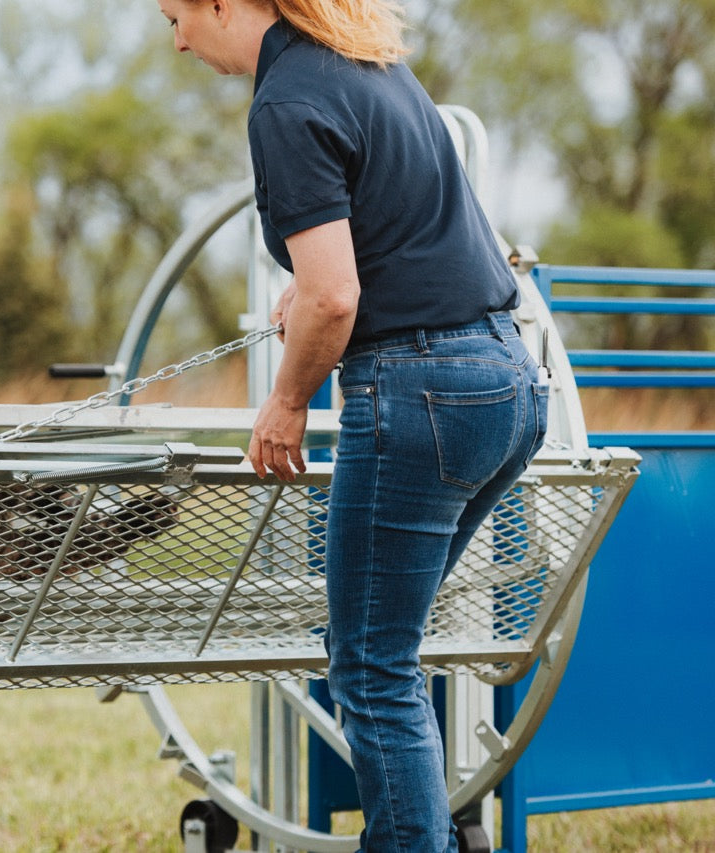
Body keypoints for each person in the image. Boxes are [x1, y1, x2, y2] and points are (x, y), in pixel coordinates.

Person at [156, 1, 548, 850]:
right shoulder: (372, 63)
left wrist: (288, 398)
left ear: (222, 3)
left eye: (176, 16)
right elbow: (402, 234)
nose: (178, 40)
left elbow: (337, 297)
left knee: (371, 666)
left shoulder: (285, 101)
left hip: (422, 392)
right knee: (378, 647)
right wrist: (314, 292)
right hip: (508, 381)